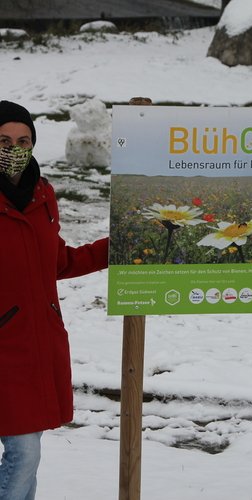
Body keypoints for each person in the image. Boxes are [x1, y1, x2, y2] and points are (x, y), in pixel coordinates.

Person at [0, 101, 108, 500]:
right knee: (23, 454)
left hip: (39, 344)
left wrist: (111, 251)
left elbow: (55, 261)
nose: (14, 148)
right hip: (4, 349)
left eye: (23, 140)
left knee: (28, 456)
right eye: (4, 140)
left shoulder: (43, 195)